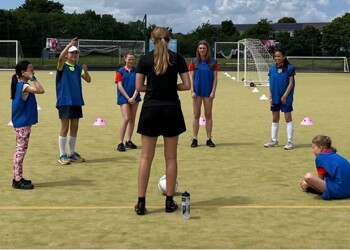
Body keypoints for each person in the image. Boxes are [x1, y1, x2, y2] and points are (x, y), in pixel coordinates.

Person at [134, 27, 191, 215]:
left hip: (150, 109)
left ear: (153, 40)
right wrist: (169, 87)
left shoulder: (145, 59)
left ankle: (141, 203)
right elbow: (186, 85)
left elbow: (139, 86)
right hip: (171, 109)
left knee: (145, 158)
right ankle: (169, 202)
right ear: (169, 39)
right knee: (171, 158)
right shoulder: (177, 59)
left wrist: (154, 87)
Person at [56, 37, 91, 165]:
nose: (74, 55)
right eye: (72, 52)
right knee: (65, 128)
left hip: (76, 101)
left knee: (75, 127)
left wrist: (86, 71)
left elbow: (88, 79)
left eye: (76, 52)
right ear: (67, 55)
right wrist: (69, 45)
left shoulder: (78, 68)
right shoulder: (62, 66)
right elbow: (60, 58)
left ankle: (71, 153)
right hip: (65, 101)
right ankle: (62, 155)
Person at [11, 60, 45, 189]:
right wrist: (33, 78)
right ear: (23, 72)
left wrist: (30, 76)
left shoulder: (20, 85)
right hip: (22, 124)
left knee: (20, 151)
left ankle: (18, 177)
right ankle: (17, 180)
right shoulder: (24, 86)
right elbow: (40, 90)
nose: (33, 71)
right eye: (31, 69)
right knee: (20, 152)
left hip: (22, 123)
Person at [188, 40, 219, 148]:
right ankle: (195, 138)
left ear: (207, 49)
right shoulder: (194, 62)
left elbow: (215, 78)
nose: (202, 50)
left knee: (208, 114)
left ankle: (209, 138)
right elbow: (191, 77)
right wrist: (192, 90)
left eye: (204, 48)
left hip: (208, 92)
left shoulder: (213, 62)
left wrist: (213, 91)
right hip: (197, 91)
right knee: (196, 115)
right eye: (200, 48)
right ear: (198, 49)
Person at [300, 135, 350, 200]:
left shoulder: (320, 158)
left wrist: (308, 184)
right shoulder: (337, 156)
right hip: (348, 191)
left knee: (308, 177)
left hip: (338, 192)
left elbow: (320, 180)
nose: (313, 151)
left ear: (320, 148)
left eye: (313, 148)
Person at [264, 48, 295, 150]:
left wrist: (285, 95)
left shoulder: (289, 68)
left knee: (287, 118)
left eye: (279, 56)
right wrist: (271, 96)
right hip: (275, 97)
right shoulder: (272, 69)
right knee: (275, 118)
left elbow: (291, 83)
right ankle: (274, 140)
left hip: (286, 97)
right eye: (275, 56)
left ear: (284, 56)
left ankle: (290, 142)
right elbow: (271, 83)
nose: (276, 58)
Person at [115, 52, 141, 152]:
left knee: (132, 119)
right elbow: (119, 86)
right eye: (129, 59)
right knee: (126, 118)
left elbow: (139, 85)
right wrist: (128, 98)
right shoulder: (120, 71)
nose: (131, 61)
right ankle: (120, 142)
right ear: (125, 59)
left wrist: (134, 97)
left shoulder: (137, 71)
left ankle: (128, 141)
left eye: (132, 59)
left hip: (135, 97)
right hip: (123, 98)